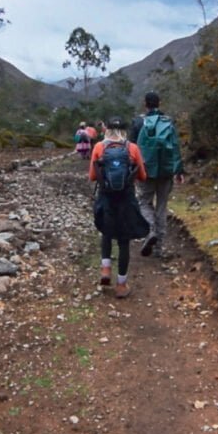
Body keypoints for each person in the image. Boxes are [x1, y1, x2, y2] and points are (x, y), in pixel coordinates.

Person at [89, 117, 150, 298]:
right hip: (126, 199)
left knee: (106, 232)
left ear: (106, 129)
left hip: (106, 198)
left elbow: (92, 176)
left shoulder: (99, 147)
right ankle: (121, 285)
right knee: (124, 241)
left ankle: (106, 269)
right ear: (125, 130)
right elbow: (143, 176)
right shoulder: (132, 148)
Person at [129, 91, 185, 259]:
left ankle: (150, 229)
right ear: (159, 103)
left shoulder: (138, 122)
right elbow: (175, 147)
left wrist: (132, 172)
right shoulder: (168, 122)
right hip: (166, 172)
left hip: (146, 171)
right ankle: (159, 249)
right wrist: (179, 170)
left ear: (145, 104)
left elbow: (132, 149)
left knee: (144, 202)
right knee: (162, 207)